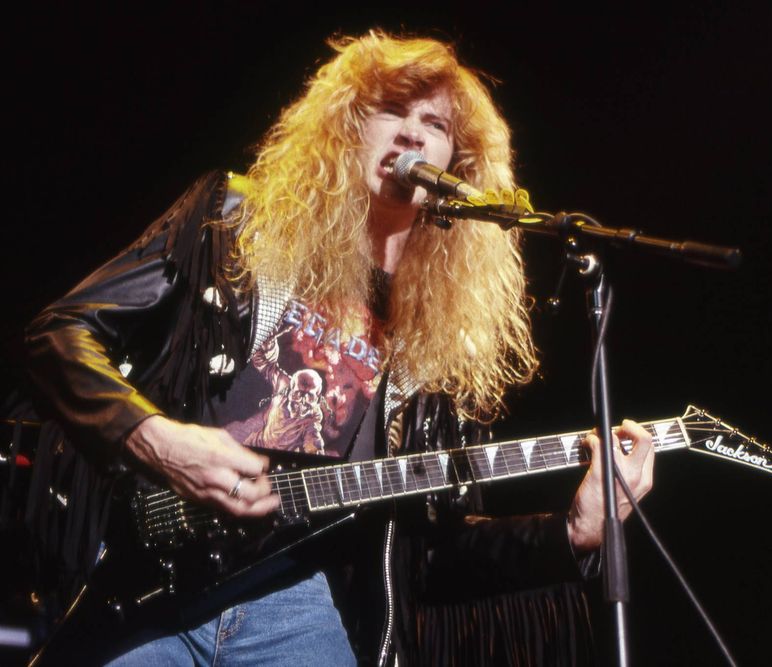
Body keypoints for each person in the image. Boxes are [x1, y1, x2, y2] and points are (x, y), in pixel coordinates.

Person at [24, 31, 654, 665]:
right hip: (145, 587)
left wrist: (574, 532)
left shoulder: (434, 337)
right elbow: (58, 333)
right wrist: (157, 440)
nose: (412, 134)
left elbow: (427, 553)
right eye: (391, 109)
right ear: (346, 128)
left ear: (459, 167)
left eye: (433, 122)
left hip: (296, 604)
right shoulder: (234, 222)